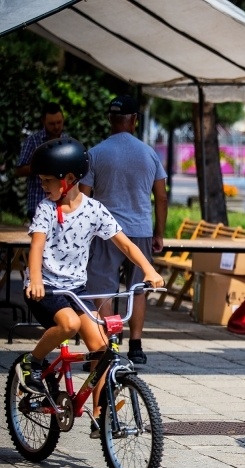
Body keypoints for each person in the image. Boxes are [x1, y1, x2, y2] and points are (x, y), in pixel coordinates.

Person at [18, 137, 164, 437]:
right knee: (69, 324)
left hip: (77, 290)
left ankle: (100, 417)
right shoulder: (46, 209)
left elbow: (124, 243)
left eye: (48, 180)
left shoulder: (94, 210)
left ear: (69, 180)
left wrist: (149, 269)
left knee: (101, 349)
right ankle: (31, 362)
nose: (44, 186)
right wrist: (34, 279)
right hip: (47, 288)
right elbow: (36, 247)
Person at [79, 95, 167, 366]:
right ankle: (136, 345)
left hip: (106, 232)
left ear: (110, 119)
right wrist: (159, 233)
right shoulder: (148, 153)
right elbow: (161, 196)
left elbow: (84, 196)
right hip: (140, 230)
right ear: (135, 120)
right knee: (137, 289)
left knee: (102, 288)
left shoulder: (95, 153)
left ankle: (108, 342)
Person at [15, 102, 68, 221]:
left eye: (59, 122)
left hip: (63, 204)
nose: (56, 127)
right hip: (37, 203)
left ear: (63, 119)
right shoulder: (32, 141)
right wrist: (43, 165)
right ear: (43, 122)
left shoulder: (68, 142)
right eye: (52, 123)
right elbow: (19, 170)